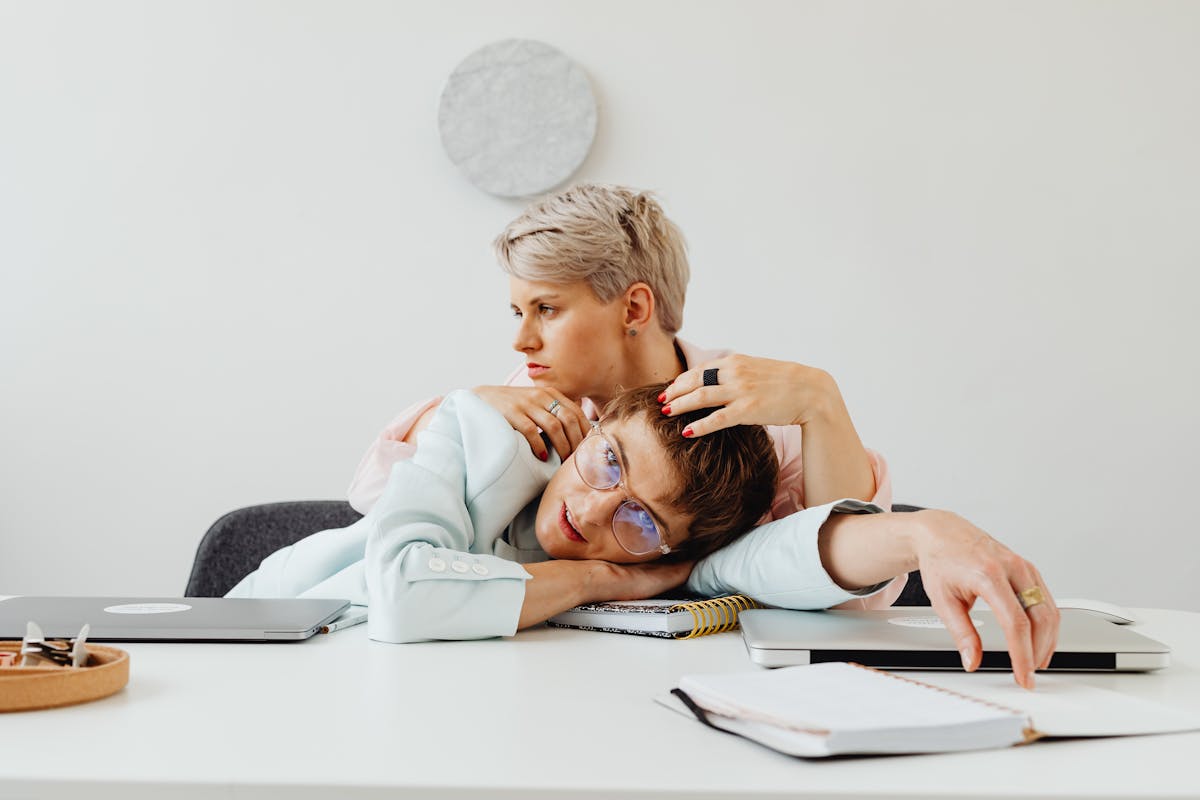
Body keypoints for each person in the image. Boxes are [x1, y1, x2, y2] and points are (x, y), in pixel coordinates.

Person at [232, 384, 1058, 689]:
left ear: (671, 549)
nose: (593, 515)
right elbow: (406, 597)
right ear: (596, 424)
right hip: (246, 653)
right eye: (607, 463)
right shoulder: (477, 431)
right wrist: (597, 580)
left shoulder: (672, 561)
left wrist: (924, 534)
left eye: (637, 522)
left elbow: (793, 553)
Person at [348, 183, 905, 604]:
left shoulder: (752, 421)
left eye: (547, 309)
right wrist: (457, 412)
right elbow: (374, 501)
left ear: (634, 309)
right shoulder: (529, 399)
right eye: (518, 312)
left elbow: (865, 598)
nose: (521, 340)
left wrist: (821, 404)